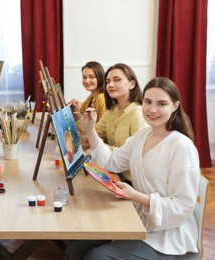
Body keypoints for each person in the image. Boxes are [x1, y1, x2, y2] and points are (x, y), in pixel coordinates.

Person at [65, 77, 200, 259]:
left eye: (161, 104)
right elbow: (112, 161)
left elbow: (183, 205)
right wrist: (90, 129)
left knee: (98, 257)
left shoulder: (181, 146)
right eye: (147, 102)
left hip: (167, 235)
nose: (152, 109)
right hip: (138, 220)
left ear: (175, 106)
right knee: (76, 248)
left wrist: (135, 196)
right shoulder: (143, 134)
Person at [69, 61, 107, 150]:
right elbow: (82, 119)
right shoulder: (92, 96)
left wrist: (77, 114)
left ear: (100, 78)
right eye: (84, 77)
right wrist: (75, 110)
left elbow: (99, 133)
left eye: (92, 77)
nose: (87, 81)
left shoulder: (101, 99)